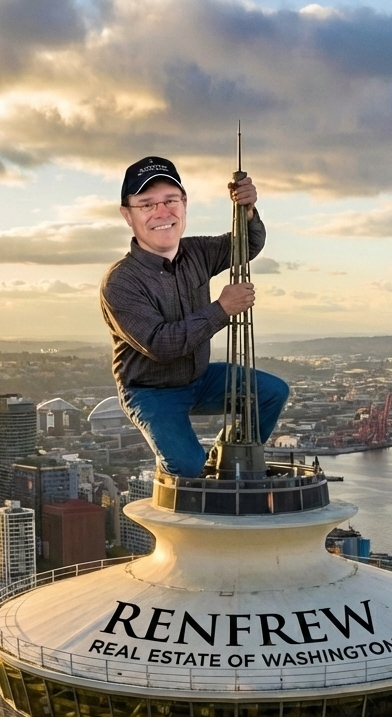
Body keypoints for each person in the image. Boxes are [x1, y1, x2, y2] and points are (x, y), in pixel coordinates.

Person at [100, 155, 289, 478]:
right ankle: (185, 467)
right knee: (187, 467)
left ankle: (225, 458)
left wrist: (247, 212)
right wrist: (222, 309)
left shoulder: (197, 252)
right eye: (147, 204)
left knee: (272, 392)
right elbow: (162, 345)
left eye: (170, 200)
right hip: (151, 391)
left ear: (184, 204)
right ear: (127, 215)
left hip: (198, 379)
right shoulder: (121, 282)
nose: (162, 212)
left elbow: (248, 244)